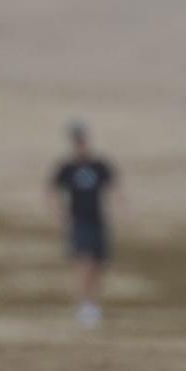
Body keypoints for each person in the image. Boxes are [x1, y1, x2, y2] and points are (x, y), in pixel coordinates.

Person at [48, 121, 119, 328]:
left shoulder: (99, 166)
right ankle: (83, 304)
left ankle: (93, 304)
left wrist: (121, 208)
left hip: (98, 220)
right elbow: (52, 190)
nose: (81, 145)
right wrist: (58, 214)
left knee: (98, 264)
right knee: (83, 262)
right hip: (79, 221)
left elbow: (114, 186)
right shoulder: (67, 168)